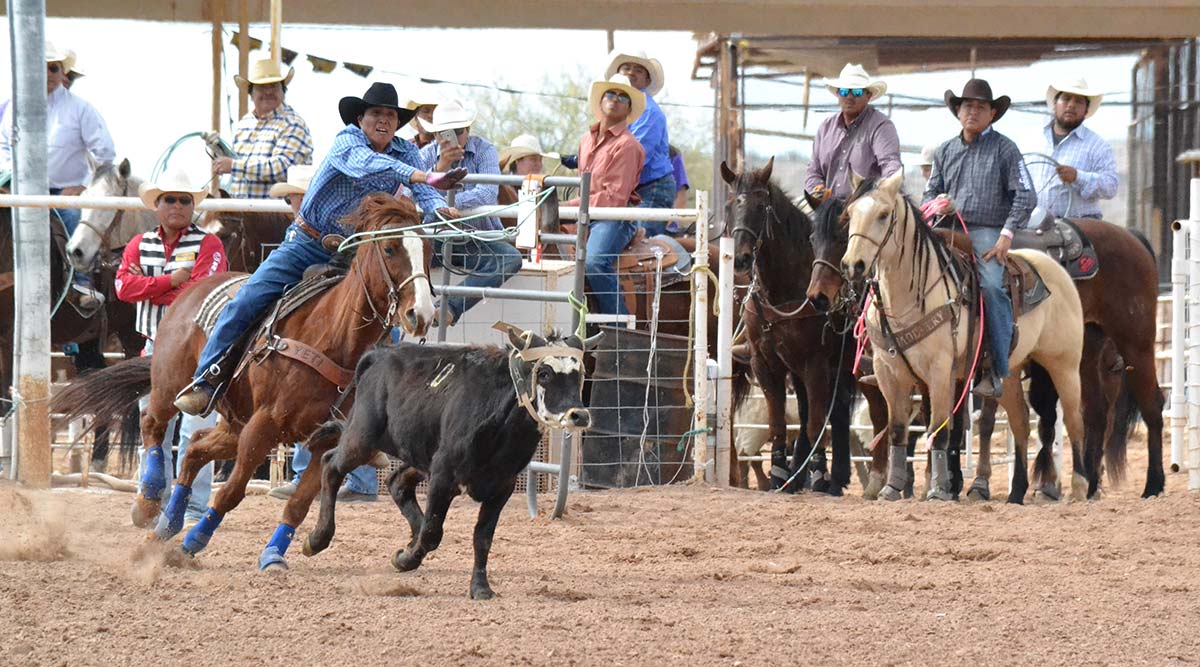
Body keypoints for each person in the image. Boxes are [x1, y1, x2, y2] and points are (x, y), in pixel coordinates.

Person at [174, 82, 466, 416]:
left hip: (353, 251)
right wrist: (423, 176)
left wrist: (440, 207)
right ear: (361, 118)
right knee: (249, 298)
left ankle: (376, 407)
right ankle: (207, 377)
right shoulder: (349, 142)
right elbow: (371, 165)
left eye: (389, 115)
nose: (383, 120)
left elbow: (425, 193)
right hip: (307, 243)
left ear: (397, 122)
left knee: (380, 316)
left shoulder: (404, 151)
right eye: (376, 114)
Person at [115, 170, 226, 525]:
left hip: (195, 353)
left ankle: (188, 505)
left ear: (192, 206)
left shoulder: (209, 243)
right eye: (171, 199)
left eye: (184, 200)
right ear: (158, 205)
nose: (177, 206)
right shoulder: (140, 242)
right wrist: (169, 282)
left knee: (194, 427)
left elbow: (201, 290)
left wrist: (151, 286)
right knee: (157, 424)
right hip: (155, 350)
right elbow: (122, 287)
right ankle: (157, 501)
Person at [263, 164, 378, 502]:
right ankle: (311, 477)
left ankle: (359, 480)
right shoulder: (302, 233)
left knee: (357, 389)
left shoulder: (333, 230)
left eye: (298, 197)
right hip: (326, 331)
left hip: (346, 330)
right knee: (313, 394)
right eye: (292, 199)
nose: (295, 204)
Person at [922, 79, 1036, 398]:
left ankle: (996, 369)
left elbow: (1025, 195)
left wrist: (1006, 235)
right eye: (967, 106)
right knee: (911, 270)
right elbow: (930, 191)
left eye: (980, 107)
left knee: (990, 287)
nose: (973, 111)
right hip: (947, 227)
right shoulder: (944, 151)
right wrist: (936, 203)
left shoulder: (1006, 149)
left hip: (987, 230)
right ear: (957, 111)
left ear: (992, 113)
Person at [0, 42, 114, 308]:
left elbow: (105, 154)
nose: (48, 73)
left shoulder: (81, 109)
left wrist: (84, 186)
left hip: (63, 194)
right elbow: (4, 145)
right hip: (21, 191)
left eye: (54, 68)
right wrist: (9, 175)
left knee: (76, 222)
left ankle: (81, 283)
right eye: (42, 68)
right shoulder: (14, 107)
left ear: (63, 73)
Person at [418, 100, 523, 325]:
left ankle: (449, 307)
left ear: (468, 131)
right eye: (445, 133)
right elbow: (412, 194)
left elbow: (487, 192)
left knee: (510, 258)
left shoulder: (484, 150)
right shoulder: (426, 155)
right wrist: (440, 170)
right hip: (435, 238)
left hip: (475, 238)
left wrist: (450, 204)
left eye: (458, 131)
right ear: (435, 135)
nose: (452, 138)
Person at [566, 73, 645, 315]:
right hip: (586, 213)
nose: (615, 99)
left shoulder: (628, 146)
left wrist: (569, 206)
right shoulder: (585, 140)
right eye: (611, 94)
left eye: (623, 97)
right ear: (601, 101)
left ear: (629, 109)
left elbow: (615, 199)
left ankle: (618, 327)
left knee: (594, 262)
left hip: (614, 218)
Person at [212, 59, 313, 199]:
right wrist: (220, 154)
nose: (268, 92)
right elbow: (236, 164)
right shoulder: (244, 123)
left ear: (283, 91)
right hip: (242, 213)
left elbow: (284, 168)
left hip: (278, 215)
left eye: (273, 86)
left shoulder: (293, 124)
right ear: (251, 94)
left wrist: (234, 166)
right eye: (261, 87)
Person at [805, 63, 901, 202]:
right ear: (838, 93)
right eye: (844, 91)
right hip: (827, 208)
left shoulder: (880, 126)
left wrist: (886, 190)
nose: (849, 97)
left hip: (865, 210)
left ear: (868, 95)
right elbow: (814, 170)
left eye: (857, 92)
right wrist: (818, 190)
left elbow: (890, 164)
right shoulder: (825, 128)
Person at [1025, 78, 1117, 220]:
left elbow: (1110, 187)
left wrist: (1078, 177)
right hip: (1034, 223)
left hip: (1080, 225)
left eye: (1079, 102)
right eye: (1066, 99)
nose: (1071, 105)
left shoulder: (1097, 146)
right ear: (1055, 104)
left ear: (1086, 110)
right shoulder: (1032, 140)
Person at [604, 50, 674, 235]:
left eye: (638, 70)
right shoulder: (620, 113)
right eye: (626, 68)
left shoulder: (649, 112)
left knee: (640, 241)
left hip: (651, 187)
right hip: (632, 188)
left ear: (647, 80)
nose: (630, 73)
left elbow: (634, 157)